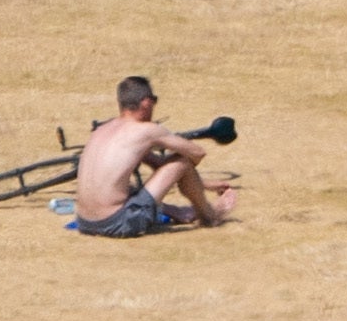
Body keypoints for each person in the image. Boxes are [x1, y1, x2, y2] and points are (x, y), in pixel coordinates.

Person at [62, 73, 233, 235]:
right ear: (146, 103)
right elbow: (197, 153)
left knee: (120, 185)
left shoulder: (102, 130)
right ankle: (210, 215)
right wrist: (182, 164)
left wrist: (205, 184)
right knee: (181, 161)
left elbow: (160, 167)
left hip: (84, 222)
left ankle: (179, 212)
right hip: (115, 223)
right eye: (154, 101)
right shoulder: (147, 131)